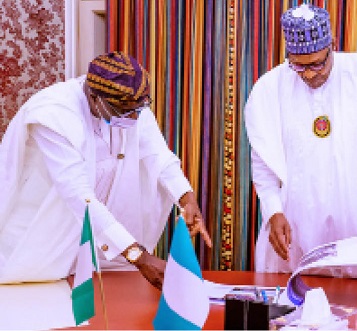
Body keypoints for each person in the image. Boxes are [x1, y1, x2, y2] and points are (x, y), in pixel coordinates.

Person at [0, 51, 211, 289]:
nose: (133, 117)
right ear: (93, 96)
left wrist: (186, 198)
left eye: (138, 110)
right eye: (124, 112)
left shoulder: (130, 102)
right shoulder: (54, 114)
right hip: (43, 237)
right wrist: (137, 256)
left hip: (98, 240)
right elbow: (77, 193)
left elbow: (158, 155)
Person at [245, 3, 357, 282]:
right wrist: (273, 211)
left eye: (317, 63)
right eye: (298, 66)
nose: (309, 74)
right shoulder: (270, 88)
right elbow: (263, 162)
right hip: (297, 225)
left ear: (332, 45)